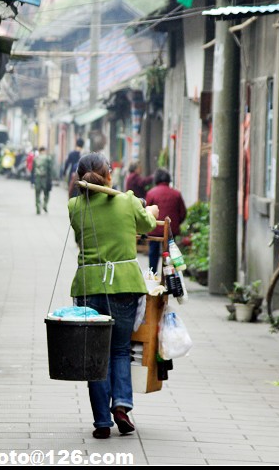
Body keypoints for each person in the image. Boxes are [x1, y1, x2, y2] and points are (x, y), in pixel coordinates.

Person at [68, 153, 159, 439]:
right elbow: (147, 225)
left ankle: (101, 423)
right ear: (109, 175)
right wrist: (151, 211)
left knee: (95, 355)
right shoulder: (127, 201)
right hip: (123, 286)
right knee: (119, 349)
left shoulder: (74, 206)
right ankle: (121, 405)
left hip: (89, 287)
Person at [144, 169, 187, 273]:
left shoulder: (151, 193)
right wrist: (175, 224)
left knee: (153, 253)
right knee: (169, 255)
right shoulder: (176, 194)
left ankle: (153, 276)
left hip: (154, 230)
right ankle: (169, 279)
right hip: (170, 231)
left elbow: (146, 212)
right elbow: (183, 213)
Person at [32, 146, 54, 214]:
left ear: (39, 151)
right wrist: (51, 179)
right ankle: (45, 205)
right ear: (44, 151)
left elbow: (33, 170)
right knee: (46, 193)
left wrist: (32, 180)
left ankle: (38, 208)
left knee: (37, 194)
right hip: (46, 178)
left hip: (37, 178)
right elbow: (50, 170)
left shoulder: (35, 158)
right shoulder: (48, 158)